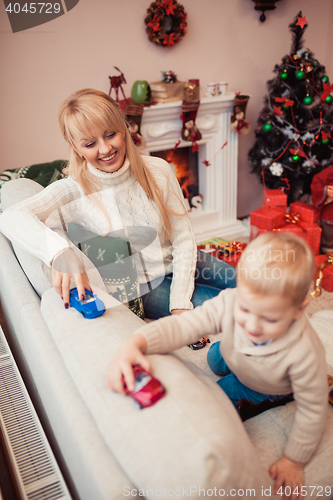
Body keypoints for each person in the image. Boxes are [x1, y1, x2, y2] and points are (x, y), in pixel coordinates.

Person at [0, 88, 236, 348]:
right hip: (148, 286)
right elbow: (11, 216)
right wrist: (58, 252)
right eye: (90, 144)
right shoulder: (72, 190)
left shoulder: (158, 170)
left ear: (124, 128)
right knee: (233, 309)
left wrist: (181, 301)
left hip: (183, 260)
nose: (105, 149)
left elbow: (183, 237)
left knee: (249, 285)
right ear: (76, 148)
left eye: (110, 134)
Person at [107, 232, 328, 499]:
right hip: (235, 354)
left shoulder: (304, 353)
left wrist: (294, 461)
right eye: (245, 310)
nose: (252, 326)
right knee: (213, 358)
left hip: (263, 382)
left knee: (220, 396)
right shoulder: (232, 301)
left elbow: (313, 412)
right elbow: (187, 325)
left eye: (270, 319)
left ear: (299, 309)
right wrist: (138, 341)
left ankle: (273, 394)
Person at [311, 165, 333, 254]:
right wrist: (325, 190)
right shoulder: (330, 171)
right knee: (328, 241)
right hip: (330, 215)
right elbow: (316, 182)